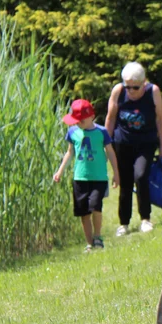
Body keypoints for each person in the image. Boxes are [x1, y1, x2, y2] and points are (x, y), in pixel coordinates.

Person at [105, 62, 162, 236]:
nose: (130, 91)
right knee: (124, 182)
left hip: (146, 143)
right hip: (122, 143)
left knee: (140, 176)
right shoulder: (118, 91)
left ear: (143, 83)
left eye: (135, 87)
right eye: (128, 86)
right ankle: (123, 223)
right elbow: (110, 119)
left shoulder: (153, 92)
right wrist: (105, 144)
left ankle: (145, 219)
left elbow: (160, 119)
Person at [53, 99, 120, 252]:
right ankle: (89, 243)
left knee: (96, 207)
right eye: (75, 121)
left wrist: (116, 173)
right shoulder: (72, 132)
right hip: (80, 178)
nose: (77, 124)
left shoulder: (101, 132)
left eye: (80, 121)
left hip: (99, 178)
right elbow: (70, 153)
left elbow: (110, 152)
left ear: (91, 117)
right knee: (84, 212)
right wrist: (60, 171)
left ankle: (98, 237)